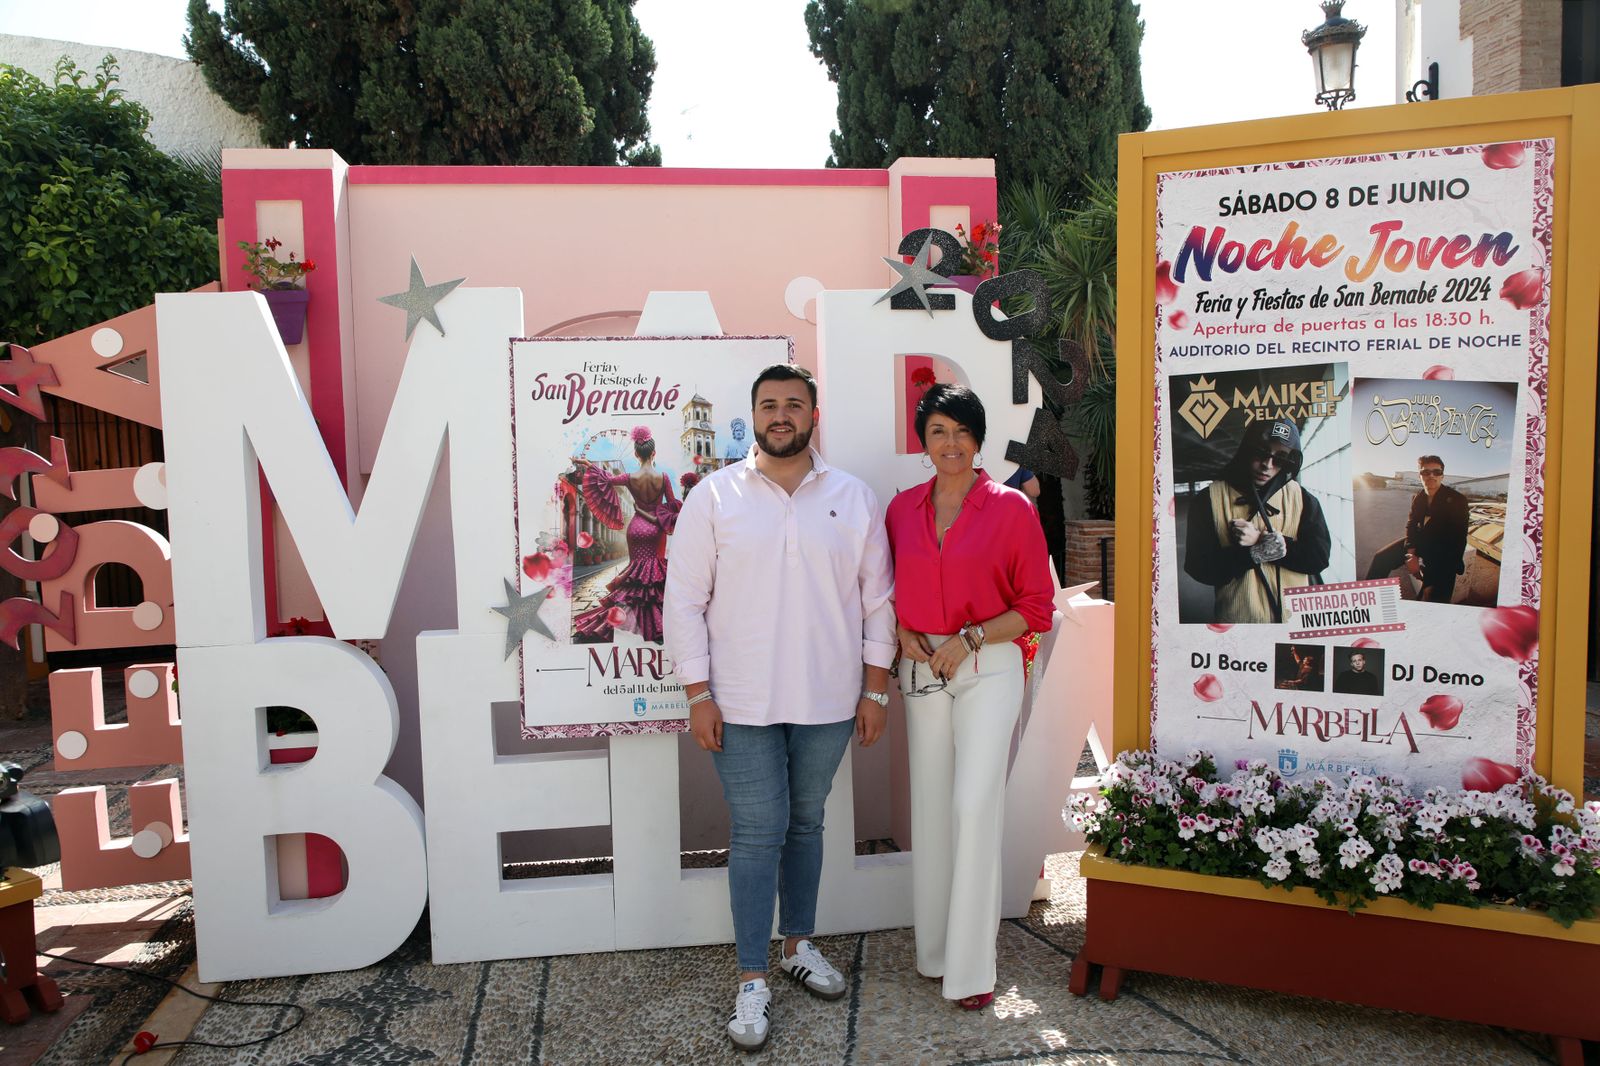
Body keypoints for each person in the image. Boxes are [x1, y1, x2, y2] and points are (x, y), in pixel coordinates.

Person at [664, 364, 895, 1052]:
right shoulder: (714, 497)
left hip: (829, 701)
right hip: (737, 704)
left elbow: (879, 600)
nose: (782, 414)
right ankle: (753, 977)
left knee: (807, 821)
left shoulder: (853, 498)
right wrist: (698, 695)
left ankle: (798, 942)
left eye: (794, 404)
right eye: (769, 405)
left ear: (813, 415)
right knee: (758, 831)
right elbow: (684, 603)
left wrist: (875, 689)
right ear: (755, 416)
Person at [884, 384, 1054, 1012]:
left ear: (978, 439)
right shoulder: (901, 509)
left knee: (973, 804)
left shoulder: (1011, 508)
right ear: (924, 442)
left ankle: (971, 970)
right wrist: (902, 630)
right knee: (929, 809)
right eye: (937, 432)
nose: (949, 444)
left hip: (990, 666)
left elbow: (1036, 607)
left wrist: (972, 637)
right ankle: (934, 953)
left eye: (960, 431)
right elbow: (888, 588)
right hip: (922, 669)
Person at [1183, 418, 1331, 624]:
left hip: (1294, 621)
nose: (1267, 465)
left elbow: (1319, 558)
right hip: (1237, 623)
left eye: (1280, 459)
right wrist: (1251, 554)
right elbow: (1197, 567)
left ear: (1290, 462)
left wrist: (1267, 542)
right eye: (1260, 453)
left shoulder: (1303, 499)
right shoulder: (1208, 500)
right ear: (1246, 450)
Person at [572, 426, 679, 644]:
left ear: (636, 454)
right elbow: (671, 506)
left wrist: (589, 465)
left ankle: (626, 620)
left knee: (636, 577)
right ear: (654, 453)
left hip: (636, 528)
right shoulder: (664, 477)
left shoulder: (630, 477)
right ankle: (658, 623)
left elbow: (605, 480)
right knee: (656, 575)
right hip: (656, 529)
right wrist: (656, 519)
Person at [1363, 454, 1469, 603]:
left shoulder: (1457, 500)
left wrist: (1426, 565)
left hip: (1445, 554)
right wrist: (1411, 555)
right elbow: (1412, 525)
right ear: (1420, 476)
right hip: (1422, 542)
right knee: (1380, 559)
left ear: (1442, 476)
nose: (1431, 476)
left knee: (1432, 599)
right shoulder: (1418, 498)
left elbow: (1458, 540)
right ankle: (1368, 603)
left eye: (1436, 472)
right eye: (1426, 472)